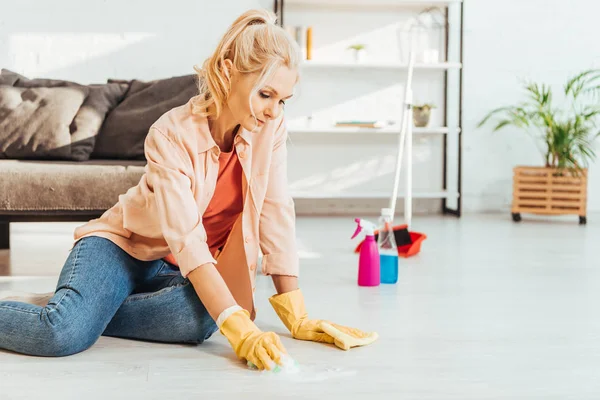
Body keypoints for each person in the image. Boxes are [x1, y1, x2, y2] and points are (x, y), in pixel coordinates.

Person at [0, 9, 378, 370]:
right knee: (61, 334)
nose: (274, 111)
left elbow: (275, 209)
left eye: (283, 100)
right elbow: (187, 239)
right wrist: (240, 332)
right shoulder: (170, 133)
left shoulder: (270, 130)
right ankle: (75, 312)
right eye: (266, 95)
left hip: (173, 270)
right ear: (229, 73)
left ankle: (85, 306)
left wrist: (296, 313)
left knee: (204, 320)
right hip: (120, 248)